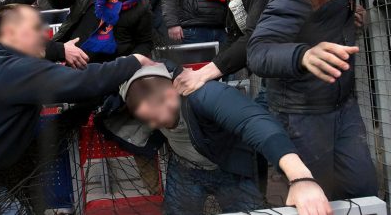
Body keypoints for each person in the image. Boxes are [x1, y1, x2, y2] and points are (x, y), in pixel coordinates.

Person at [0, 3, 155, 213]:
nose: (43, 35)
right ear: (10, 34)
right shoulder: (13, 70)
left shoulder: (9, 64)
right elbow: (84, 82)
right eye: (35, 28)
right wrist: (134, 60)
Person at [247, 0, 378, 200]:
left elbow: (325, 6)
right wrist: (303, 55)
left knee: (364, 192)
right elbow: (258, 52)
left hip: (343, 106)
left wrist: (349, 12)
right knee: (314, 198)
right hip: (301, 113)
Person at [117, 64, 331, 215]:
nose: (156, 123)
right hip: (186, 170)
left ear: (172, 91)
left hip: (231, 170)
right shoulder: (136, 101)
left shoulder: (204, 95)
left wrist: (301, 179)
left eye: (159, 111)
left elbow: (254, 122)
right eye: (148, 119)